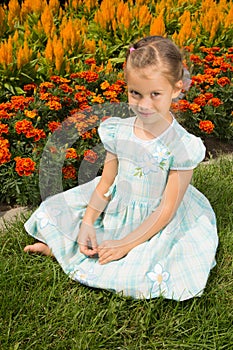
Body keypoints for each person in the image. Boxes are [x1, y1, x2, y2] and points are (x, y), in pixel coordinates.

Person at [24, 36, 218, 301]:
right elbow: (106, 183)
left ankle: (73, 254)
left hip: (155, 219)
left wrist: (126, 243)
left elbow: (166, 210)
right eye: (135, 93)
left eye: (155, 95)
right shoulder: (118, 131)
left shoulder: (183, 146)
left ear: (176, 89)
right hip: (119, 205)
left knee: (144, 270)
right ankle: (62, 248)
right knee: (56, 214)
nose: (144, 104)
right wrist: (89, 222)